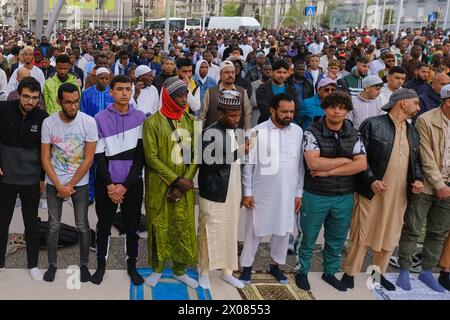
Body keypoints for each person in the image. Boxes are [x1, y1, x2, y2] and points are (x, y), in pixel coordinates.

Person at [342, 89, 423, 292]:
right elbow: (359, 158)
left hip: (400, 193)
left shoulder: (413, 131)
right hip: (372, 191)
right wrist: (371, 180)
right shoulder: (373, 124)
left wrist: (418, 180)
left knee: (389, 234)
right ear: (402, 103)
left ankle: (376, 275)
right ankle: (349, 273)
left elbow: (417, 162)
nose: (418, 107)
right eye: (415, 103)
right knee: (362, 232)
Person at [295, 91, 367, 292]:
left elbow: (361, 165)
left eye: (342, 107)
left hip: (344, 195)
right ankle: (302, 271)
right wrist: (346, 160)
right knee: (308, 236)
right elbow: (313, 162)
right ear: (325, 108)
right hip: (315, 194)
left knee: (336, 238)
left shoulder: (354, 133)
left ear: (347, 110)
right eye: (332, 106)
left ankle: (329, 272)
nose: (337, 110)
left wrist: (329, 172)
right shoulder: (311, 132)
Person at [240, 93, 305, 285]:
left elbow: (300, 166)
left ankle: (275, 266)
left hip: (288, 192)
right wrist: (248, 192)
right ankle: (247, 267)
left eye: (291, 112)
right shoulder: (257, 132)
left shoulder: (298, 131)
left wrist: (298, 193)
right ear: (272, 110)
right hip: (262, 191)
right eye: (284, 111)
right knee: (254, 230)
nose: (288, 115)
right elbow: (248, 166)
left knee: (283, 231)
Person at [143, 77, 199, 289]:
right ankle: (157, 269)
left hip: (184, 187)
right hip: (160, 185)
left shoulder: (192, 121)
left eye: (185, 95)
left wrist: (186, 182)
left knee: (182, 226)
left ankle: (179, 270)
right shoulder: (152, 123)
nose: (184, 99)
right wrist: (176, 181)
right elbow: (152, 157)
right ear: (167, 97)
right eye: (178, 96)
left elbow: (196, 154)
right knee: (159, 226)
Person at [90, 75, 146, 286]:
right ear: (111, 92)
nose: (124, 93)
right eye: (120, 89)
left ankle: (132, 266)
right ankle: (101, 265)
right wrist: (111, 185)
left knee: (132, 228)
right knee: (103, 226)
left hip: (131, 184)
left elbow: (140, 157)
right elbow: (98, 157)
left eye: (128, 89)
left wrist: (124, 186)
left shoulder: (141, 118)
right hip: (107, 184)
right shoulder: (99, 118)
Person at [41, 83, 98, 283]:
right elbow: (45, 158)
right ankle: (52, 265)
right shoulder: (48, 123)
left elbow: (89, 158)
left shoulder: (89, 122)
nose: (73, 107)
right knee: (53, 226)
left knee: (82, 225)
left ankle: (84, 265)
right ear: (59, 102)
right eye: (68, 103)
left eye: (76, 102)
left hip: (79, 182)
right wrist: (58, 186)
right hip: (54, 181)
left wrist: (70, 186)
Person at [396, 84, 450, 292]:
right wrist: (439, 184)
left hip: (448, 188)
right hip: (427, 186)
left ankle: (427, 271)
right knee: (412, 227)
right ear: (447, 102)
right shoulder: (426, 120)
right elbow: (425, 157)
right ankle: (404, 270)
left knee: (438, 232)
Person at [197, 91, 248, 290]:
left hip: (232, 190)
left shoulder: (236, 131)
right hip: (213, 192)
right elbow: (209, 164)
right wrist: (239, 151)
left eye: (238, 116)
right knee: (208, 233)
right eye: (232, 116)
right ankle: (203, 271)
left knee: (229, 231)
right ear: (220, 114)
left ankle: (227, 272)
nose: (236, 119)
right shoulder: (210, 132)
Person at [0, 77, 48, 281]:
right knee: (2, 223)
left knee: (31, 225)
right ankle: (0, 262)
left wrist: (42, 178)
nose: (30, 101)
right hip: (6, 179)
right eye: (26, 96)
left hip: (31, 180)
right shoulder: (3, 110)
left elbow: (46, 151)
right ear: (18, 94)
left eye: (34, 98)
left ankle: (33, 265)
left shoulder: (43, 117)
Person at [201, 60, 252, 130]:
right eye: (226, 72)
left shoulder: (242, 91)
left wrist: (248, 135)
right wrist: (198, 136)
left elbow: (247, 115)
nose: (230, 75)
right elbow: (201, 116)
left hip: (237, 136)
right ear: (220, 75)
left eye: (232, 72)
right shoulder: (210, 92)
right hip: (214, 136)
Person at [256, 59, 299, 124]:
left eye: (284, 72)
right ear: (272, 72)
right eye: (279, 72)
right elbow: (265, 111)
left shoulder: (292, 89)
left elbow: (296, 109)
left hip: (287, 125)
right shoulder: (262, 90)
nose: (282, 75)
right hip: (267, 125)